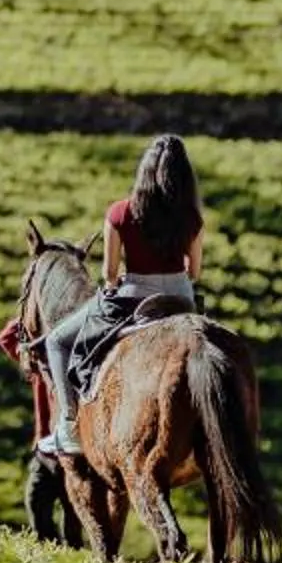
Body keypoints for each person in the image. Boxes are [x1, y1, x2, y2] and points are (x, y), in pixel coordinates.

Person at [40, 133, 205, 458]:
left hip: (132, 297)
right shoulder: (192, 218)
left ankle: (68, 427)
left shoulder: (119, 214)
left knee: (56, 342)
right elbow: (194, 272)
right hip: (181, 298)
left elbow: (110, 273)